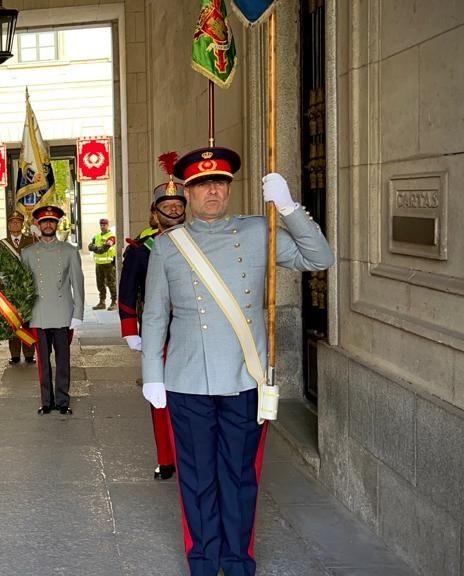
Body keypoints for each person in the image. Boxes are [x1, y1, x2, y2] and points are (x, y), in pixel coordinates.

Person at [141, 146, 334, 576]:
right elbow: (154, 315)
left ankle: (238, 560)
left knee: (240, 477)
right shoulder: (169, 247)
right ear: (187, 194)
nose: (212, 191)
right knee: (198, 479)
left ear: (229, 188)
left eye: (220, 183)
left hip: (245, 378)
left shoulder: (257, 231)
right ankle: (204, 562)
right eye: (202, 185)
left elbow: (319, 258)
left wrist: (288, 208)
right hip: (188, 381)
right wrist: (152, 375)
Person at [117, 160, 188, 481]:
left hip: (193, 330)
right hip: (157, 331)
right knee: (159, 395)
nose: (172, 211)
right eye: (166, 206)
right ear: (154, 211)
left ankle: (190, 452)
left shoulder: (197, 240)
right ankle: (166, 457)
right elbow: (127, 288)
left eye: (177, 205)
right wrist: (130, 329)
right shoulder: (142, 247)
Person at [21, 205, 84, 415]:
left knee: (63, 361)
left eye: (52, 221)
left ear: (57, 225)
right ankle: (46, 401)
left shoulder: (69, 251)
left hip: (62, 313)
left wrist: (78, 313)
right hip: (38, 313)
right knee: (43, 362)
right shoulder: (28, 253)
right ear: (38, 225)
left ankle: (63, 400)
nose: (48, 225)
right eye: (44, 221)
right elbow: (23, 285)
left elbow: (78, 283)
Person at [0, 210, 36, 364]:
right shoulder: (2, 244)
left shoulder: (31, 240)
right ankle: (14, 354)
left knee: (26, 321)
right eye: (12, 222)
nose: (15, 224)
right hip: (9, 289)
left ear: (22, 225)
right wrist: (0, 287)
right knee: (12, 321)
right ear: (8, 225)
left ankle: (29, 353)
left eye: (18, 222)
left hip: (26, 289)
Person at [87, 218, 118, 311]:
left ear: (107, 225)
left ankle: (114, 302)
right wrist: (97, 247)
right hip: (99, 264)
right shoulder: (96, 236)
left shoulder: (111, 237)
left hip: (109, 264)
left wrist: (95, 247)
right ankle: (102, 302)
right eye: (101, 225)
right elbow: (89, 246)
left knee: (111, 283)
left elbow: (103, 249)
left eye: (104, 225)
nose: (102, 227)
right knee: (100, 284)